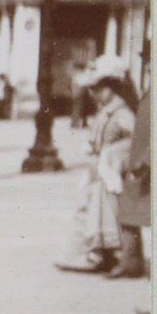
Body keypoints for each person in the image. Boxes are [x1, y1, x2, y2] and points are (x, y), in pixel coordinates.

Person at [55, 54, 136, 274]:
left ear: (112, 87)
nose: (93, 94)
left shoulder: (122, 113)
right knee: (87, 208)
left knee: (105, 213)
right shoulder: (105, 112)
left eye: (98, 89)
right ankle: (88, 254)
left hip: (112, 176)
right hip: (99, 172)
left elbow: (136, 141)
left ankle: (106, 254)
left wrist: (115, 155)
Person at [114, 80, 150, 278]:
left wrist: (145, 160)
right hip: (140, 161)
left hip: (147, 164)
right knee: (129, 210)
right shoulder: (149, 89)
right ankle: (130, 262)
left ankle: (131, 263)